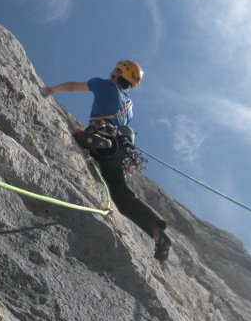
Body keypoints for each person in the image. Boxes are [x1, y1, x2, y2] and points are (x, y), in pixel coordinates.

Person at [43, 60, 171, 262]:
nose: (112, 72)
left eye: (115, 70)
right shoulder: (130, 107)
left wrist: (52, 89)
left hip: (105, 134)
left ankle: (99, 140)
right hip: (120, 152)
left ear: (119, 72)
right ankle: (156, 230)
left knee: (80, 135)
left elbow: (72, 86)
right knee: (122, 196)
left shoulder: (102, 84)